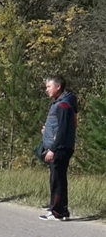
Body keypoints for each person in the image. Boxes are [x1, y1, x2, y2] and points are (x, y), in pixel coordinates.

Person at [39, 76, 76, 221]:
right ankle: (60, 208)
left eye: (49, 86)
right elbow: (57, 127)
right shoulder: (59, 103)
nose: (46, 89)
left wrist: (53, 149)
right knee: (57, 178)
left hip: (60, 148)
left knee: (57, 180)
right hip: (60, 146)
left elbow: (63, 130)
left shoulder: (63, 105)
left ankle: (57, 212)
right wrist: (47, 131)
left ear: (58, 87)